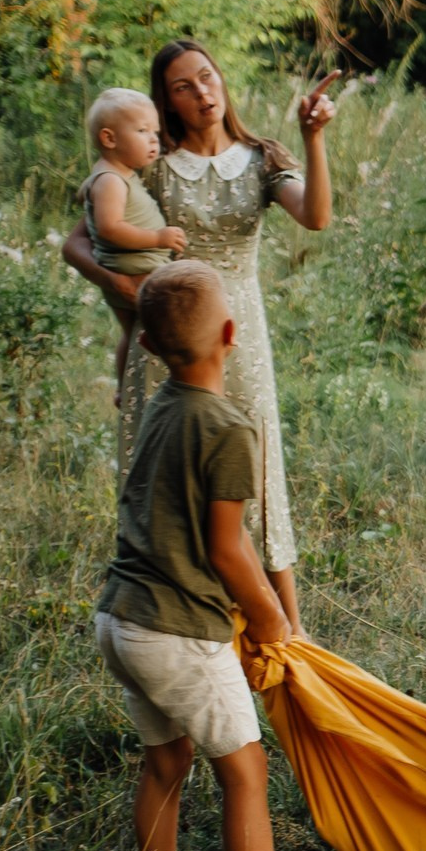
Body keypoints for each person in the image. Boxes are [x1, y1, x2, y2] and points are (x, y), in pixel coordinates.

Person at [63, 47, 341, 640]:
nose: (201, 93)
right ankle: (178, 629)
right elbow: (76, 244)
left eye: (207, 77)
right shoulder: (151, 165)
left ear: (222, 81)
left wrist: (311, 138)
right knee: (161, 478)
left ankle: (293, 635)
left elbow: (315, 217)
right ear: (166, 100)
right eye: (182, 87)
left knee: (257, 469)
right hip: (163, 336)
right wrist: (121, 286)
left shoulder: (263, 158)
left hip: (239, 334)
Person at [94, 259, 304, 851]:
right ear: (231, 333)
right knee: (245, 770)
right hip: (179, 634)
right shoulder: (227, 426)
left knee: (166, 757)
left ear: (148, 347)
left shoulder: (159, 411)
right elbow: (227, 546)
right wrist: (271, 615)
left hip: (122, 620)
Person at [77, 87, 188, 400]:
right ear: (109, 139)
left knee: (131, 332)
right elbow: (110, 228)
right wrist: (158, 237)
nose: (153, 139)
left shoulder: (116, 174)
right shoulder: (111, 180)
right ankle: (177, 374)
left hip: (128, 267)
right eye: (142, 131)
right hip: (135, 266)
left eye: (155, 131)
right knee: (174, 313)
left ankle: (124, 387)